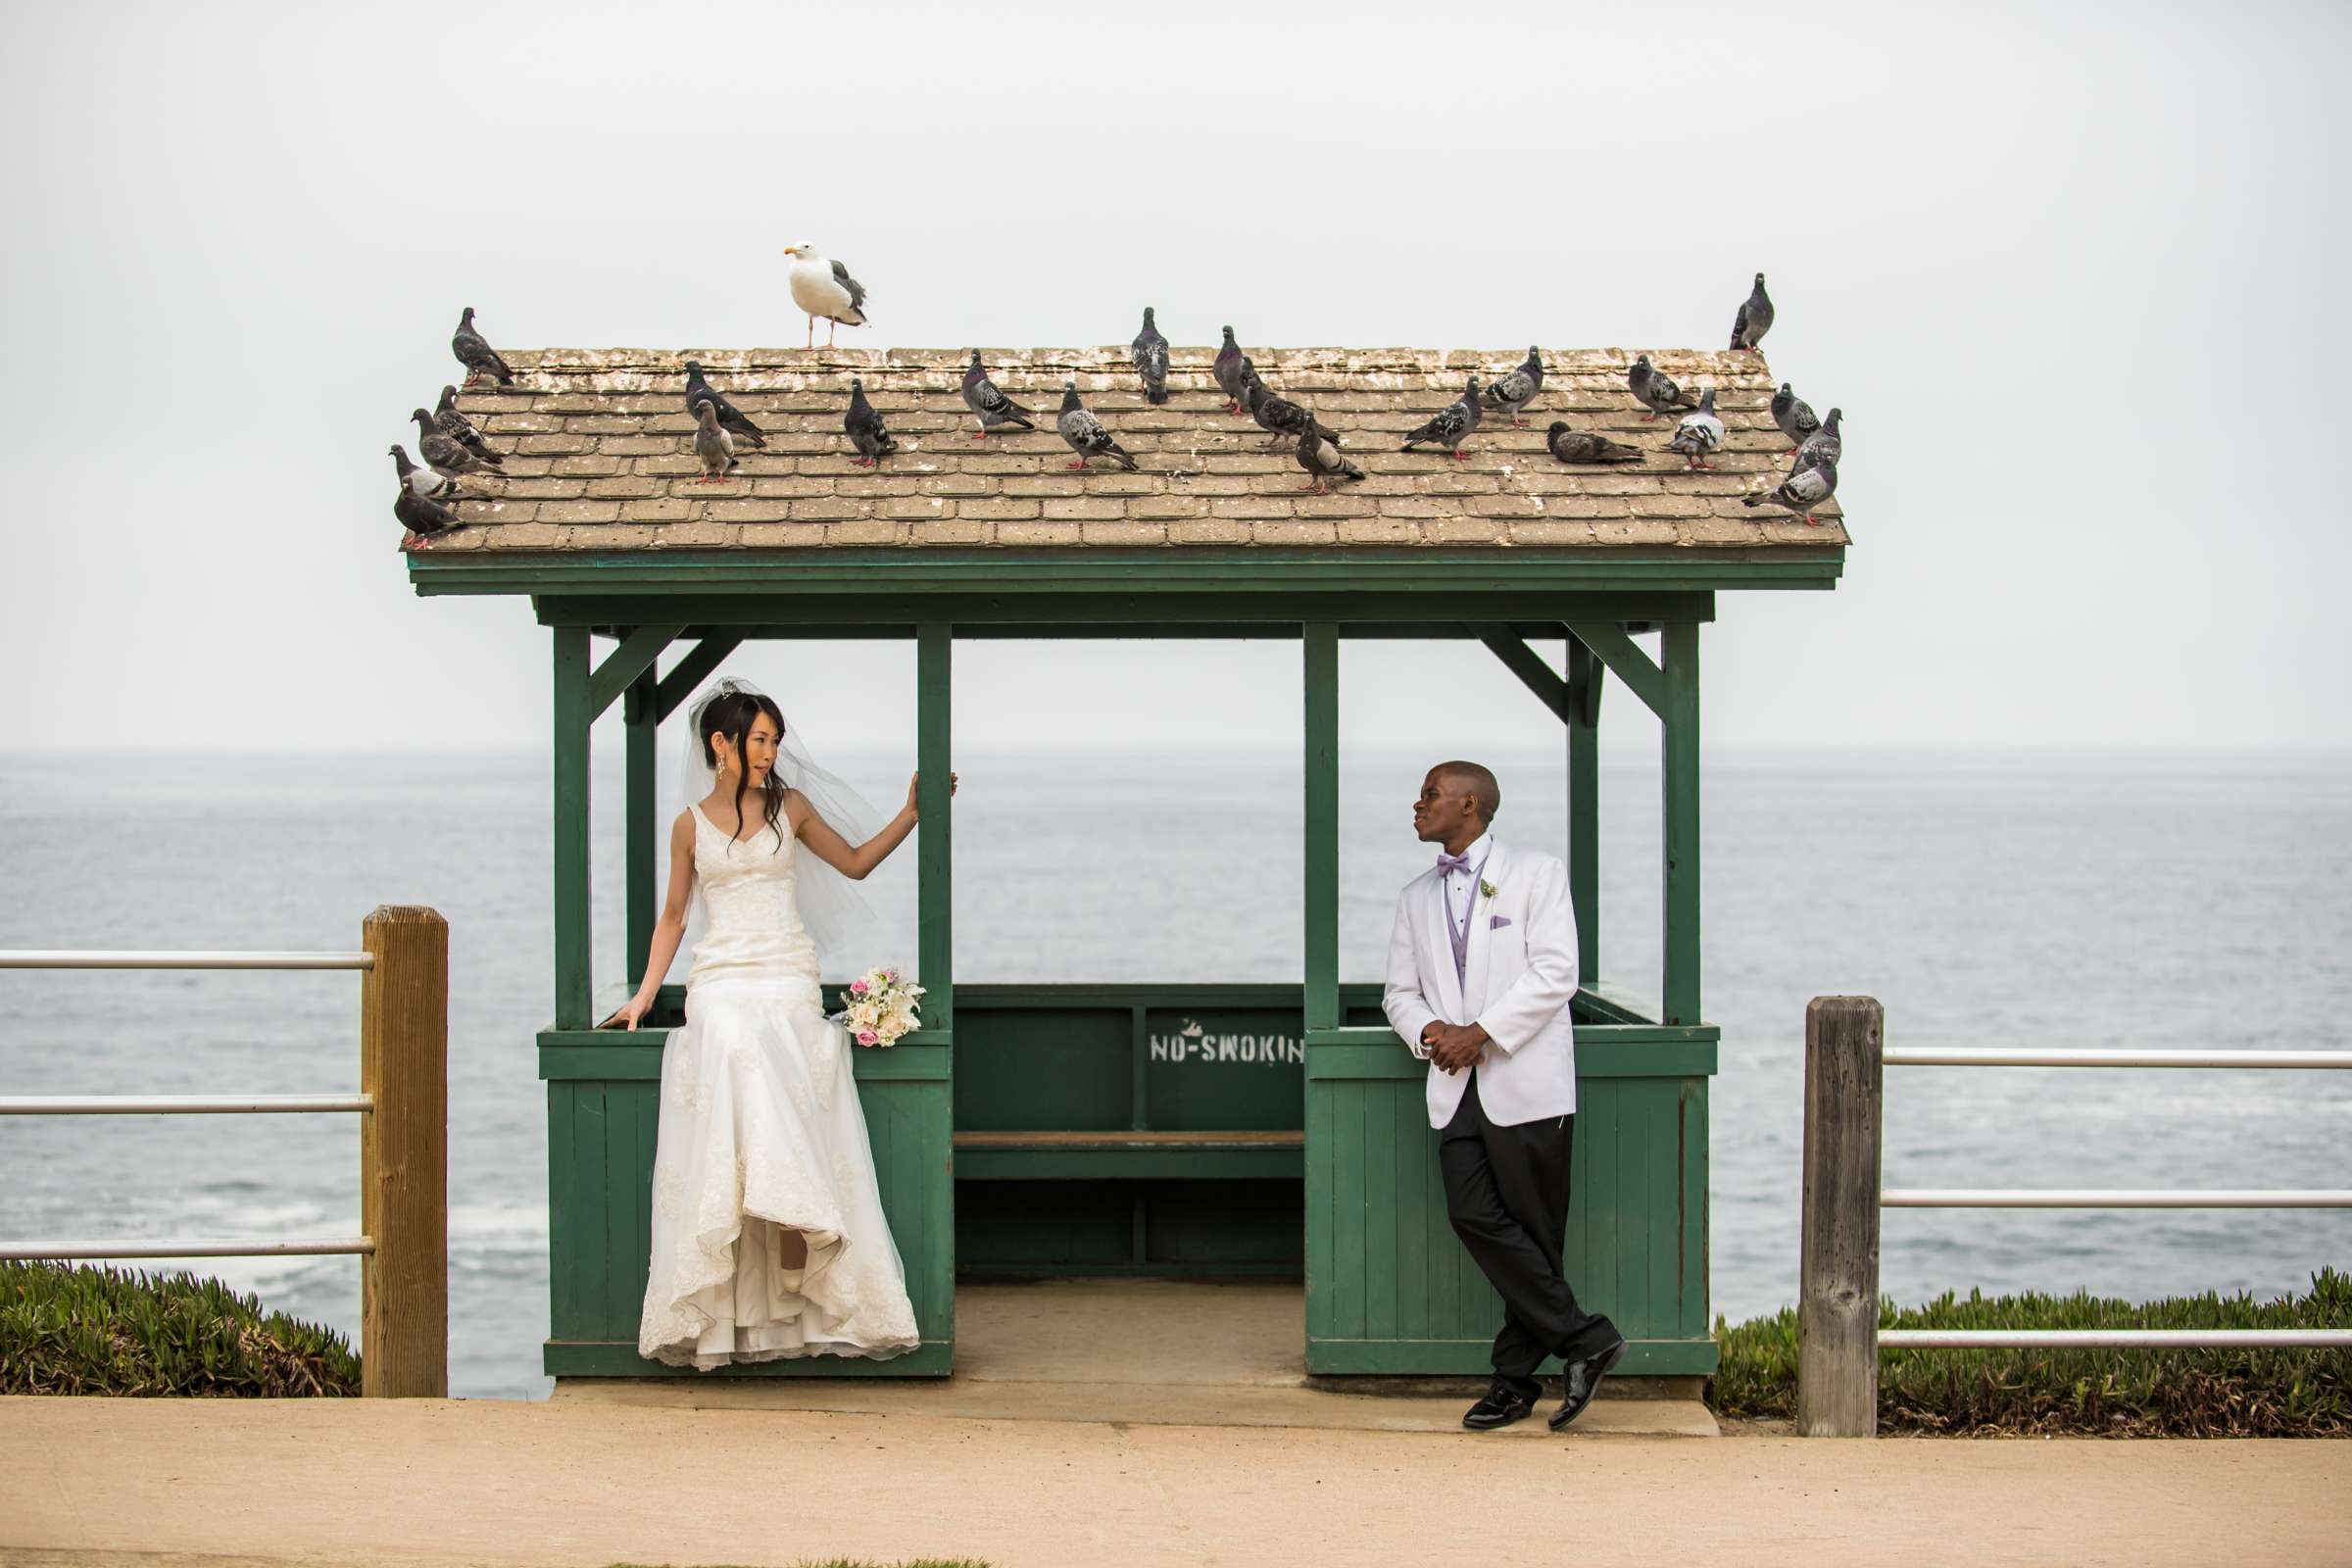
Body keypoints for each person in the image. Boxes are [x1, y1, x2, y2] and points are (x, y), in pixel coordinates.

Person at [609, 676, 954, 1368]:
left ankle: (797, 1220)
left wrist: (911, 814)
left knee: (775, 1037)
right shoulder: (688, 826)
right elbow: (673, 918)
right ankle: (786, 1215)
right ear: (721, 743)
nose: (769, 752)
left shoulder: (788, 809)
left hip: (786, 971)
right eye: (759, 739)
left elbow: (854, 864)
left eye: (774, 740)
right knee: (732, 1037)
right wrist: (645, 997)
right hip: (722, 976)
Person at [1382, 760, 1624, 1431]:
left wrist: (1482, 1033)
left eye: (1430, 794)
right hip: (1454, 1086)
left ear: (1471, 803)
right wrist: (1429, 1029)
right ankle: (1586, 1339)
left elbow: (1557, 973)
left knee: (1536, 1239)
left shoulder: (1537, 874)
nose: (1418, 803)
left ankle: (1514, 1383)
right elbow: (1398, 993)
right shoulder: (1414, 898)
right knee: (1473, 1215)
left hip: (1526, 1085)